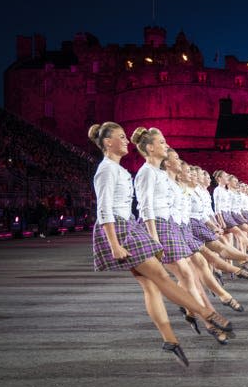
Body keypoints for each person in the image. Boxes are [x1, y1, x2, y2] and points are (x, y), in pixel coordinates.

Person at [89, 121, 232, 368]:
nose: (126, 141)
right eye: (121, 137)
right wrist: (114, 244)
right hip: (120, 230)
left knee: (151, 286)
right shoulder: (107, 170)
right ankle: (207, 314)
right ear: (107, 143)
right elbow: (104, 210)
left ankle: (170, 339)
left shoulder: (118, 170)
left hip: (128, 226)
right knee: (161, 278)